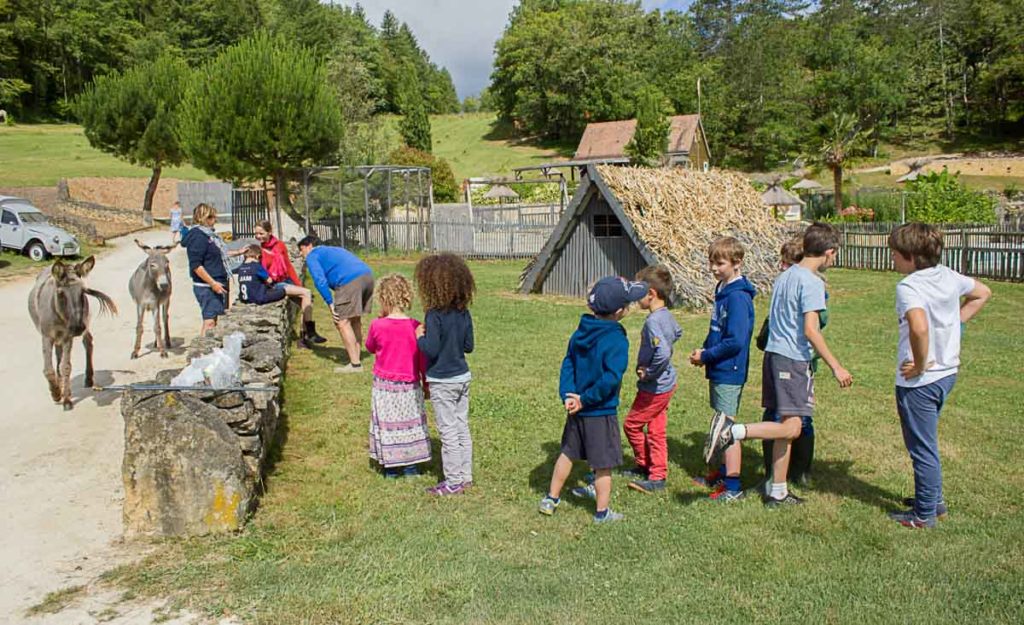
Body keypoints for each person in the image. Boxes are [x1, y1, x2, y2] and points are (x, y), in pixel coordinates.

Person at [703, 222, 853, 508]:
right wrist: (836, 366)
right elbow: (811, 329)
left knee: (785, 425)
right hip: (793, 359)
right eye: (835, 255)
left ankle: (778, 492)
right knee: (792, 428)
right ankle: (733, 432)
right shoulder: (812, 282)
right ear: (829, 252)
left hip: (773, 356)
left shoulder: (786, 275)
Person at [887, 223, 990, 528]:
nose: (891, 257)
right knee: (927, 442)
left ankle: (924, 516)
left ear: (909, 256)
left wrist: (920, 365)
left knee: (922, 448)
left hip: (921, 382)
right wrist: (954, 324)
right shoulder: (947, 275)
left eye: (894, 253)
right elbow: (982, 293)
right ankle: (933, 501)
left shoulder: (909, 287)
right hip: (947, 374)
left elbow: (918, 327)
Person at [538, 275, 648, 523]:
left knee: (567, 453)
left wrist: (569, 395)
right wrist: (586, 399)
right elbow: (611, 378)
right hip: (599, 411)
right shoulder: (616, 338)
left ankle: (551, 498)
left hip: (576, 409)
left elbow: (568, 364)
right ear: (620, 311)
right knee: (603, 464)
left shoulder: (582, 330)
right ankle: (602, 512)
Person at [689, 237, 756, 502]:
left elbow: (736, 340)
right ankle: (721, 471)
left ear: (737, 263)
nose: (714, 268)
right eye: (712, 262)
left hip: (730, 368)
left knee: (727, 427)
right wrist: (704, 351)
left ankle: (733, 486)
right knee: (720, 420)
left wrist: (708, 355)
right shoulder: (722, 288)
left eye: (720, 263)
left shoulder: (738, 298)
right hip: (718, 365)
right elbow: (717, 329)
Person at [414, 254, 476, 496]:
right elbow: (469, 345)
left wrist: (420, 336)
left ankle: (453, 481)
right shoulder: (464, 313)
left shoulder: (434, 315)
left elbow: (431, 349)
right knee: (462, 427)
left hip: (442, 380)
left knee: (448, 430)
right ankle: (466, 476)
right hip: (462, 377)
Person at [365, 274, 432, 478]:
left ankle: (391, 467)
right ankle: (411, 465)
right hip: (409, 384)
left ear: (383, 298)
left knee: (387, 424)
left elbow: (370, 347)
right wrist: (426, 384)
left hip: (385, 386)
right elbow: (422, 359)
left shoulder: (378, 325)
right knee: (409, 423)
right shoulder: (415, 326)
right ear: (406, 297)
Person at [622, 266, 681, 494]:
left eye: (640, 292)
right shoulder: (666, 315)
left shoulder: (653, 322)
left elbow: (663, 352)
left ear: (652, 293)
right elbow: (677, 332)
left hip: (655, 387)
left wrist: (649, 372)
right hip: (667, 383)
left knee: (632, 425)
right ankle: (657, 475)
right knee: (656, 429)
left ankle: (644, 464)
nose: (637, 298)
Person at [298, 236, 374, 372]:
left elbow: (319, 280)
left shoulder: (312, 255)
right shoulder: (333, 249)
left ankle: (355, 365)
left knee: (342, 322)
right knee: (355, 319)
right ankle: (356, 357)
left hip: (349, 281)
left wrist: (330, 303)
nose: (300, 253)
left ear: (309, 245)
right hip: (367, 276)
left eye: (301, 249)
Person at [233, 244, 318, 348]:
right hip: (261, 297)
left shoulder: (241, 268)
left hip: (247, 298)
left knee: (302, 299)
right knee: (288, 289)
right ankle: (308, 333)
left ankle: (306, 333)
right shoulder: (256, 267)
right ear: (257, 256)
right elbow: (269, 280)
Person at [255, 221, 326, 345]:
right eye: (256, 234)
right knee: (306, 293)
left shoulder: (279, 245)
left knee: (307, 302)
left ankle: (304, 338)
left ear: (270, 232)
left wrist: (298, 284)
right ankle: (310, 333)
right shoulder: (258, 249)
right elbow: (258, 270)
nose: (258, 236)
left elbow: (288, 266)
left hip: (284, 280)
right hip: (273, 284)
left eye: (261, 233)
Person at [183, 203, 231, 336]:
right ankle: (203, 352)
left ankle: (208, 351)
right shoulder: (198, 237)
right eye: (212, 217)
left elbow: (218, 254)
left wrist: (239, 252)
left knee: (214, 318)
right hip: (206, 286)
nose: (215, 220)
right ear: (205, 218)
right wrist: (213, 283)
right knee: (209, 321)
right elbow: (196, 266)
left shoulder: (208, 235)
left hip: (214, 283)